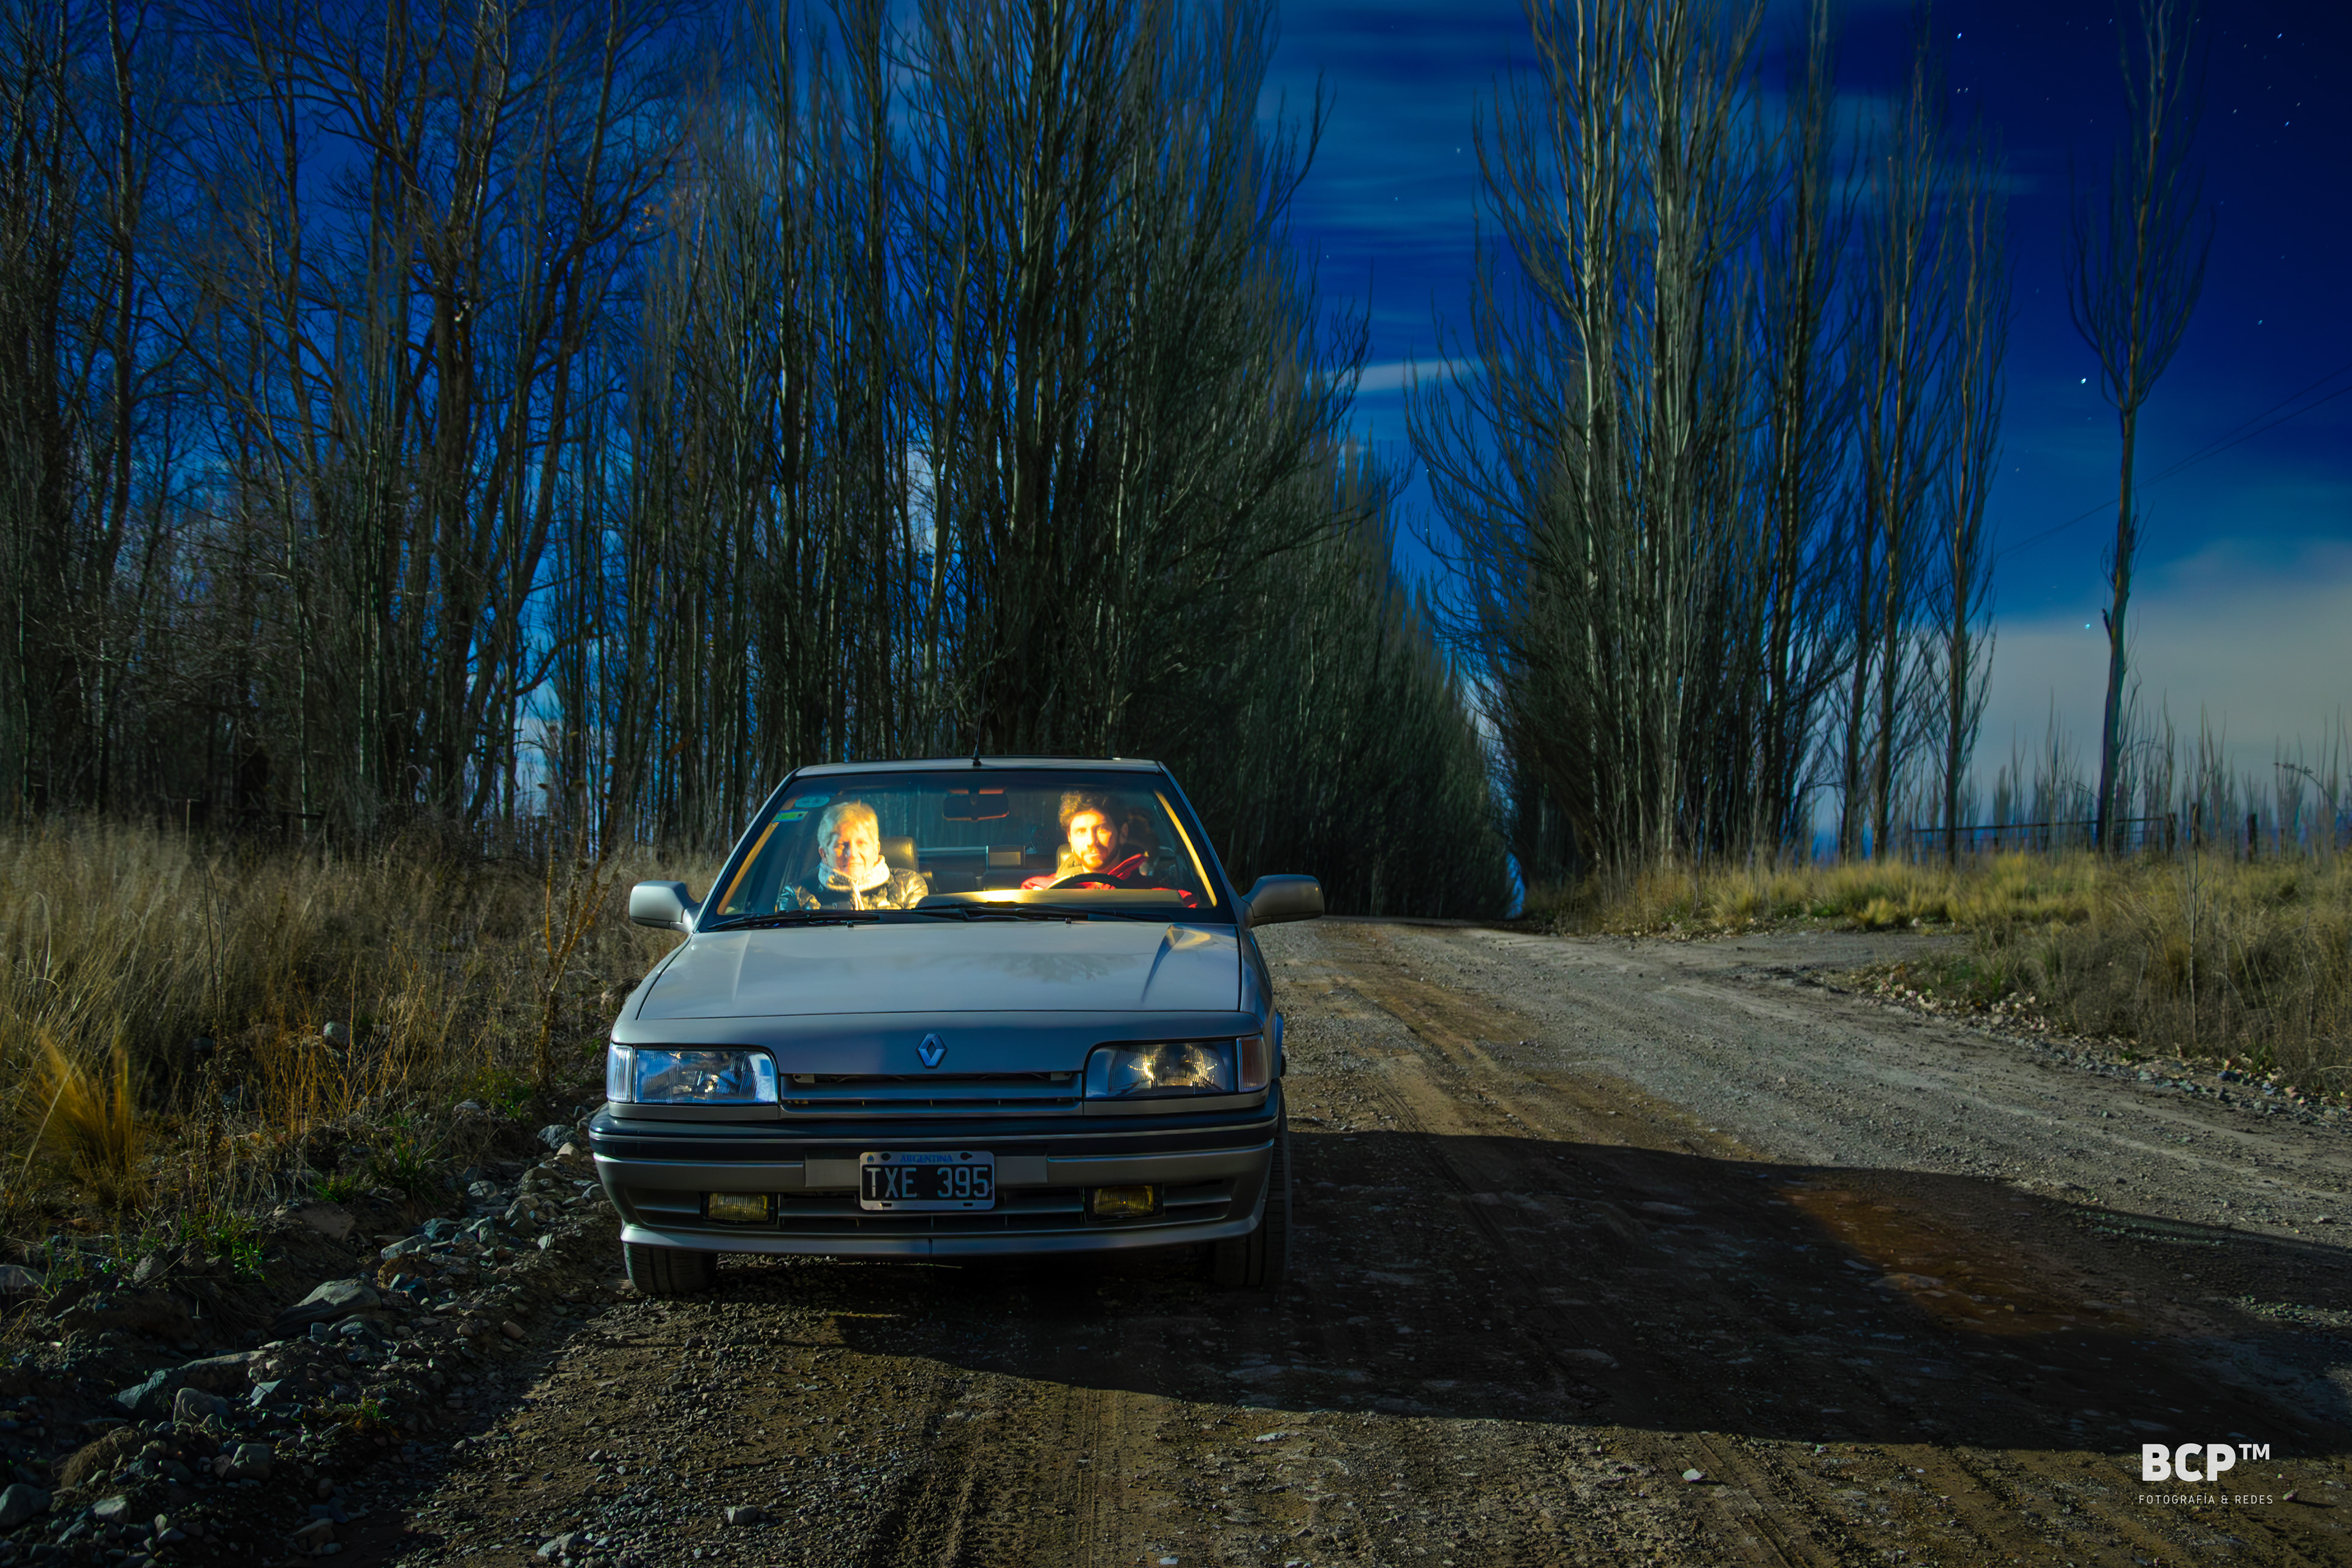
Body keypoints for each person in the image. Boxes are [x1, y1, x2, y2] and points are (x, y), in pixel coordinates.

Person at [783, 801, 929, 911]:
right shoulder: (797, 895)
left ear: (876, 849)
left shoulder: (909, 886)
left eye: (861, 843)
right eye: (841, 845)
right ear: (824, 854)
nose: (852, 853)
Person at [1023, 792, 1147, 889]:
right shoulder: (1039, 890)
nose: (1091, 841)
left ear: (1123, 833)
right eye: (1080, 831)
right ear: (1070, 839)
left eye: (1102, 829)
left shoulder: (1154, 895)